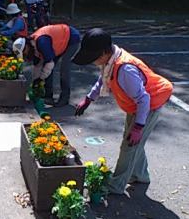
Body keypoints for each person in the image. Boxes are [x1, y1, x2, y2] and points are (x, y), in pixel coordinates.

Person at [73, 28, 173, 193]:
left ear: (105, 52)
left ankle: (116, 185)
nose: (93, 62)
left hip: (149, 104)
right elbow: (102, 79)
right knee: (133, 143)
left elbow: (144, 99)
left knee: (129, 145)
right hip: (136, 106)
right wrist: (89, 99)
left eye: (94, 58)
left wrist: (138, 127)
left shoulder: (125, 70)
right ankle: (140, 175)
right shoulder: (110, 61)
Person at [12, 24, 81, 107]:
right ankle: (48, 96)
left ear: (26, 46)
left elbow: (49, 63)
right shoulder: (33, 45)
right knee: (47, 67)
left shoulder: (41, 42)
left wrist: (41, 78)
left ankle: (64, 99)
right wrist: (36, 80)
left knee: (64, 69)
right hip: (58, 43)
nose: (25, 55)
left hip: (71, 38)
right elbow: (37, 65)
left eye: (24, 53)